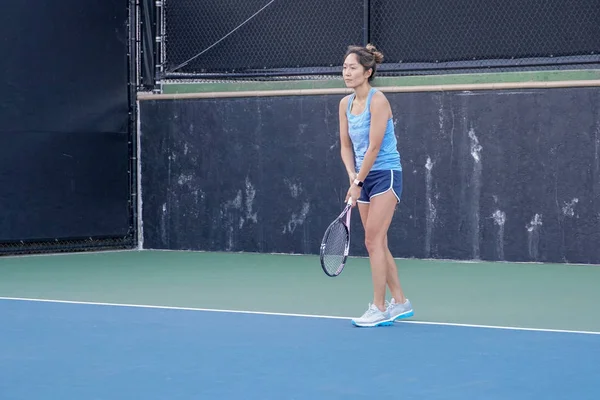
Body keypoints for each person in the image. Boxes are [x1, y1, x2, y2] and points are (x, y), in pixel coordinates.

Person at [338, 44, 413, 327]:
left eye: (353, 67)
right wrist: (352, 176)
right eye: (345, 67)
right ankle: (401, 302)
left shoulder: (378, 101)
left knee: (372, 240)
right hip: (362, 177)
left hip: (385, 174)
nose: (347, 72)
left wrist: (358, 181)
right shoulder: (344, 104)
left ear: (367, 72)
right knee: (377, 242)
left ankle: (379, 308)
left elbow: (373, 147)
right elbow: (345, 146)